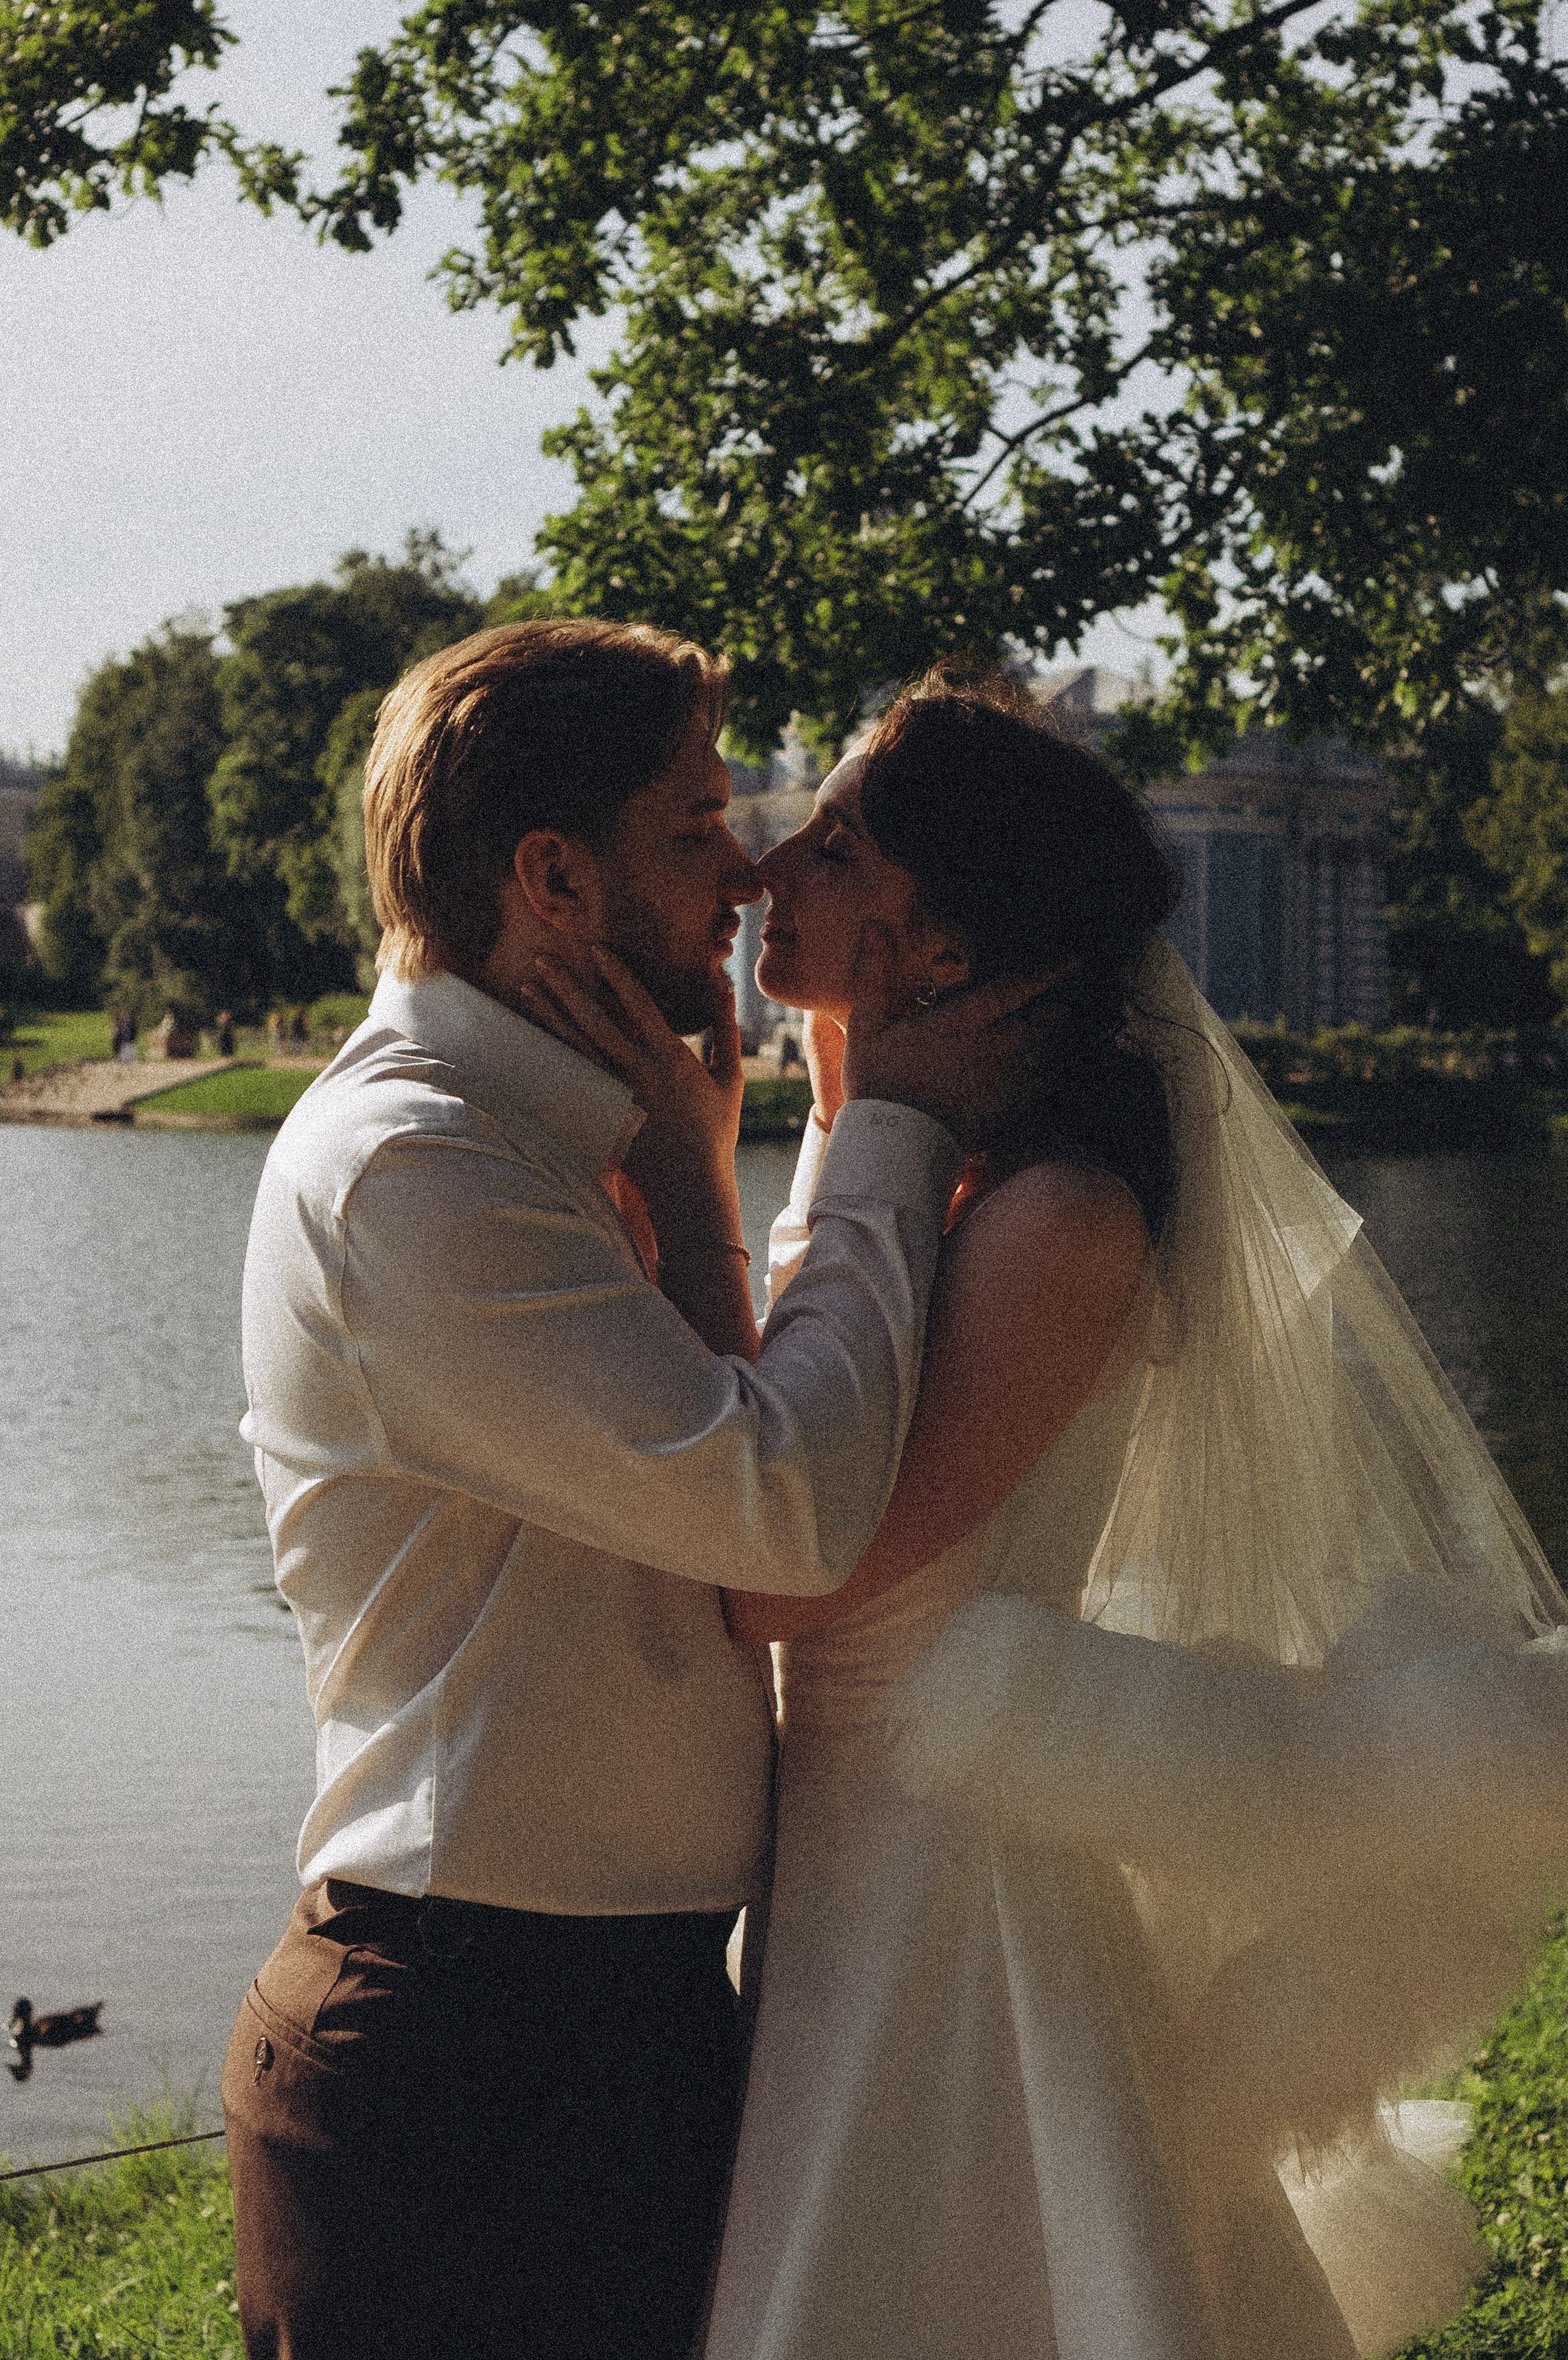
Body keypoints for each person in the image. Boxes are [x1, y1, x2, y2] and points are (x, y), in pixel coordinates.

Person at [643, 671, 1568, 2360]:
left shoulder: (1055, 1219)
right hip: (852, 1851)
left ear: (941, 941)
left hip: (955, 1883)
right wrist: (839, 1125)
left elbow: (795, 1579)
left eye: (839, 843)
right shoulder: (931, 1172)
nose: (774, 866)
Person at [219, 620, 1054, 2360]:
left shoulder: (547, 1142)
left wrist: (693, 1182)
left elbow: (726, 1464)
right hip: (463, 2056)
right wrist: (883, 1122)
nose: (748, 872)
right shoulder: (417, 1171)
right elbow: (784, 1507)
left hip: (610, 2020)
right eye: (693, 828)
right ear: (551, 878)